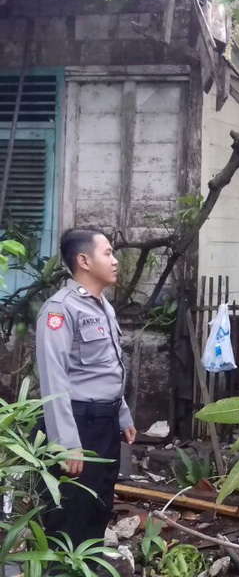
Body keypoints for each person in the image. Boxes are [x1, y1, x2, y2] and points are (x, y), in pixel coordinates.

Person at [35, 227, 136, 545]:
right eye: (107, 253)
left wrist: (122, 414)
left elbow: (106, 368)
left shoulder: (103, 307)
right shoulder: (60, 309)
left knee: (98, 505)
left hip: (104, 424)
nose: (115, 260)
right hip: (77, 423)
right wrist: (66, 442)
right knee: (70, 512)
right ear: (84, 260)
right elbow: (53, 378)